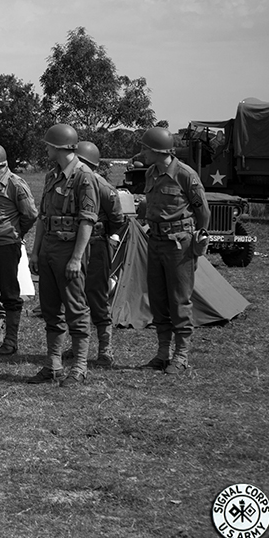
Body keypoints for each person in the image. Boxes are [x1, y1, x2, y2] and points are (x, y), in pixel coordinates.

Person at [27, 124, 99, 388]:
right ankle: (53, 364)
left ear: (58, 146)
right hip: (49, 248)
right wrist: (35, 252)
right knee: (50, 309)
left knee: (76, 309)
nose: (46, 148)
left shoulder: (84, 177)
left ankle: (79, 367)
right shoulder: (52, 176)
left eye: (48, 144)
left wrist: (76, 258)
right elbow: (43, 217)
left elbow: (87, 220)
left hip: (70, 250)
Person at [138, 127, 209, 374]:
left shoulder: (185, 175)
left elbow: (203, 212)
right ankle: (162, 353)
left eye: (145, 148)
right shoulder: (151, 173)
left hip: (180, 245)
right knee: (158, 299)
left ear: (158, 150)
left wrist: (198, 238)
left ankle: (181, 355)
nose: (142, 153)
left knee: (179, 299)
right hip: (155, 241)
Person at [0, 143, 37, 356]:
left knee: (10, 295)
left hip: (6, 245)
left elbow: (30, 214)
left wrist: (16, 233)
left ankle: (11, 341)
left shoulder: (15, 184)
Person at [75, 141, 125, 366]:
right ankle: (78, 344)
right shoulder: (69, 181)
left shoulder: (101, 185)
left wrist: (103, 233)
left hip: (96, 244)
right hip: (73, 243)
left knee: (96, 294)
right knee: (76, 295)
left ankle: (105, 348)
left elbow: (117, 218)